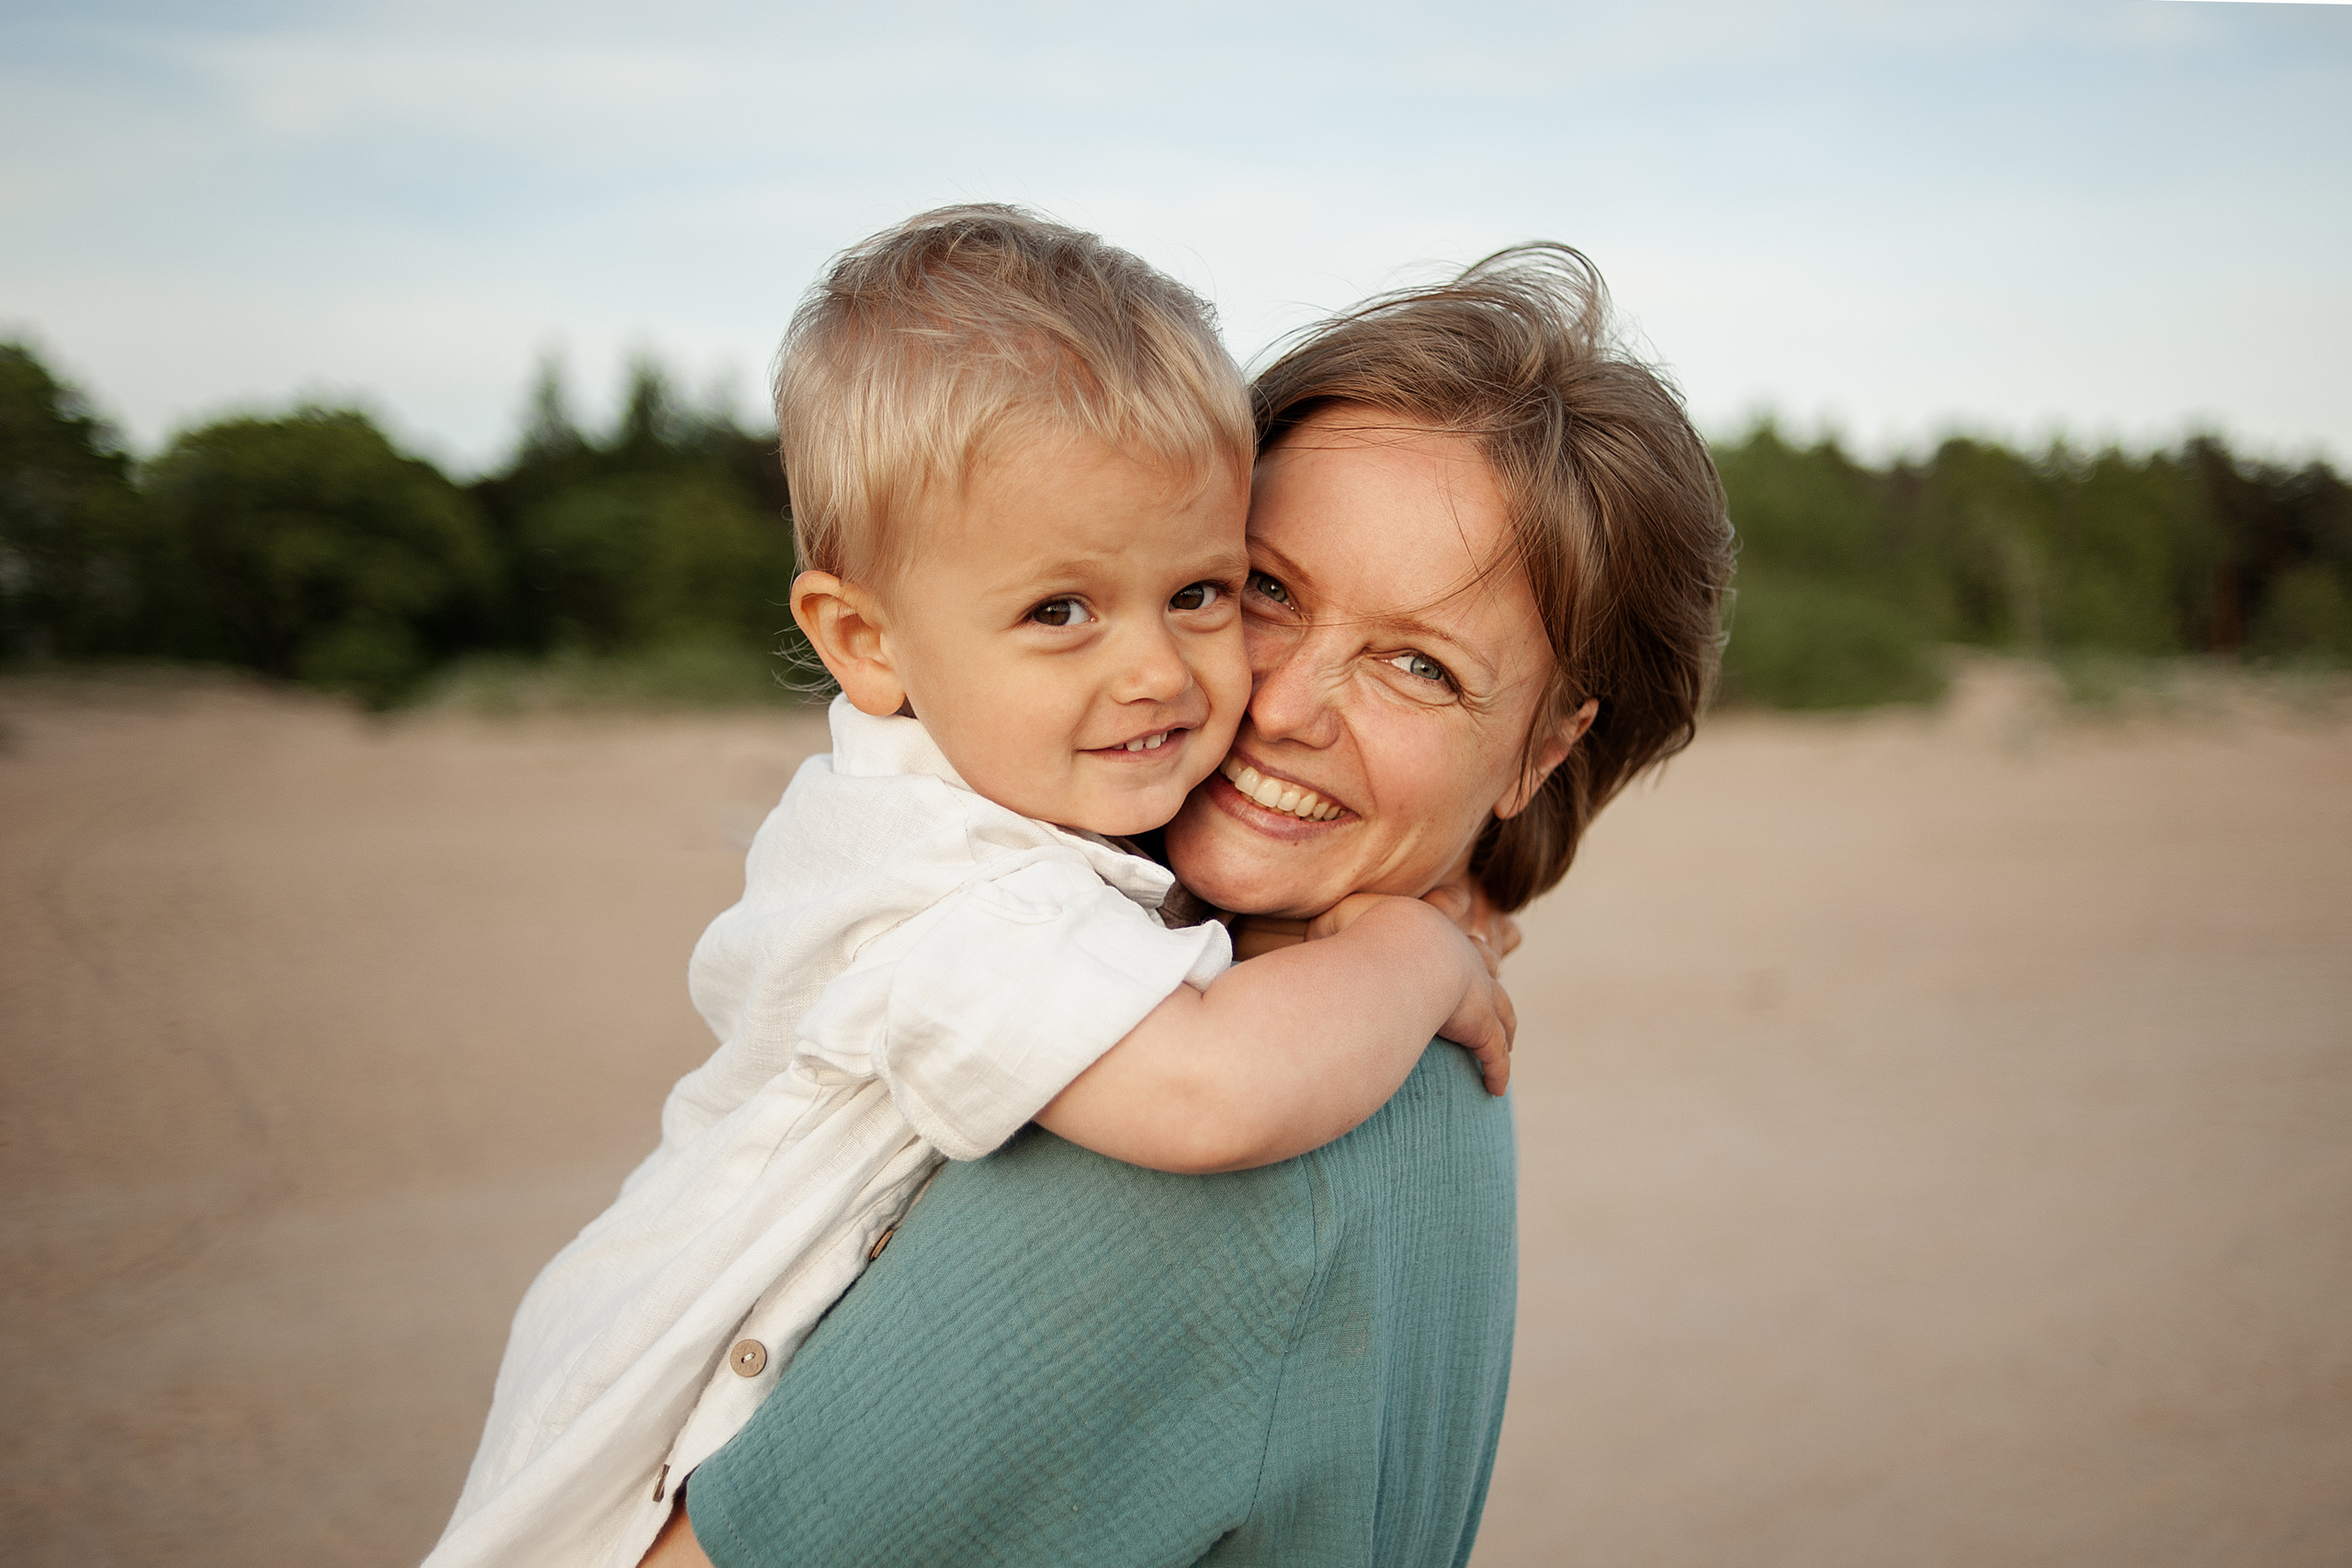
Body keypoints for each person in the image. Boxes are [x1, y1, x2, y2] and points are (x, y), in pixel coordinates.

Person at [428, 208, 1516, 1568]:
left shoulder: (1033, 796)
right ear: (865, 640)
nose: (1158, 673)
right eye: (1061, 611)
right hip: (616, 1498)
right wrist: (1418, 955)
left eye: (1200, 590)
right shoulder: (940, 881)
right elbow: (1207, 1093)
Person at [646, 243, 1736, 1566]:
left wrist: (1407, 947)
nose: (1280, 707)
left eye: (1418, 666)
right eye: (1260, 589)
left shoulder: (1216, 1148)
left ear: (1540, 755)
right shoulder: (1403, 1056)